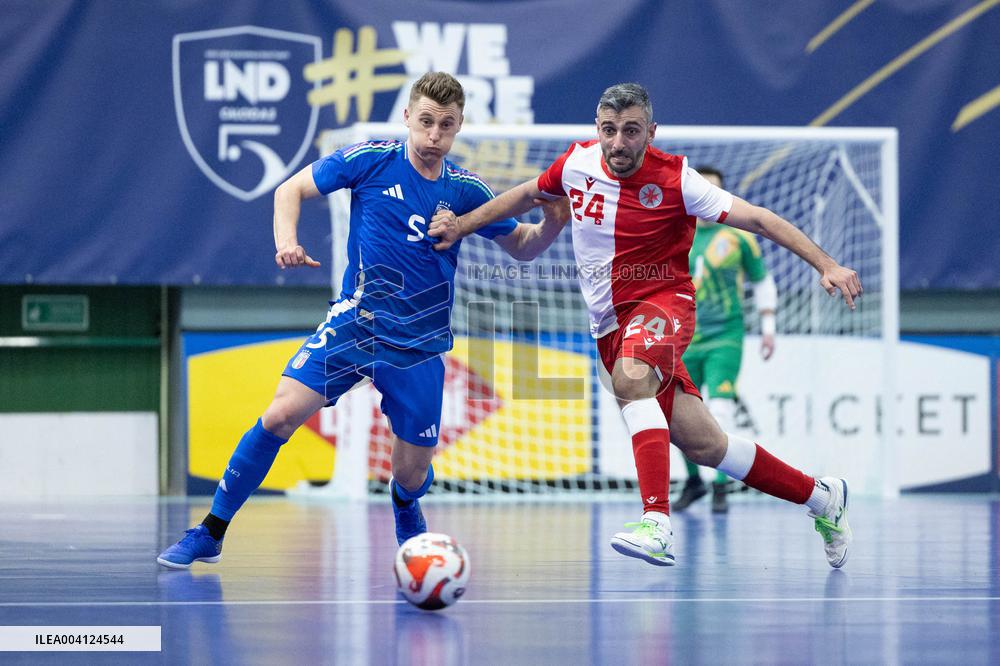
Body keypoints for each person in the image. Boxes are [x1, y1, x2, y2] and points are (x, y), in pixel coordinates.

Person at [428, 82, 859, 569]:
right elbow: (527, 195)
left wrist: (825, 264)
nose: (618, 143)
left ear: (650, 132)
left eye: (631, 131)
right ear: (597, 129)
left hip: (663, 303)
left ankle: (656, 523)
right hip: (609, 327)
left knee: (632, 379)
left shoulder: (678, 180)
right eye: (609, 130)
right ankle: (824, 498)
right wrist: (462, 225)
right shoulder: (576, 164)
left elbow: (757, 218)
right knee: (707, 446)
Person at [158, 72, 569, 568]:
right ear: (407, 119)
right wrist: (286, 242)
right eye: (425, 122)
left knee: (412, 472)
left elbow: (523, 247)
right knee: (280, 414)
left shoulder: (465, 191)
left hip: (419, 345)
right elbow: (288, 191)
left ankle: (404, 501)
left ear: (458, 127)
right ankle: (212, 530)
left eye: (445, 124)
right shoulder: (371, 160)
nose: (434, 134)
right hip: (357, 325)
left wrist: (551, 223)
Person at [673, 166, 777, 514]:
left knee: (719, 408)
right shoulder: (675, 233)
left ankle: (721, 485)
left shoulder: (739, 237)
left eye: (713, 190)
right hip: (683, 337)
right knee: (675, 413)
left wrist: (768, 327)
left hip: (725, 336)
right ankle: (693, 482)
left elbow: (762, 281)